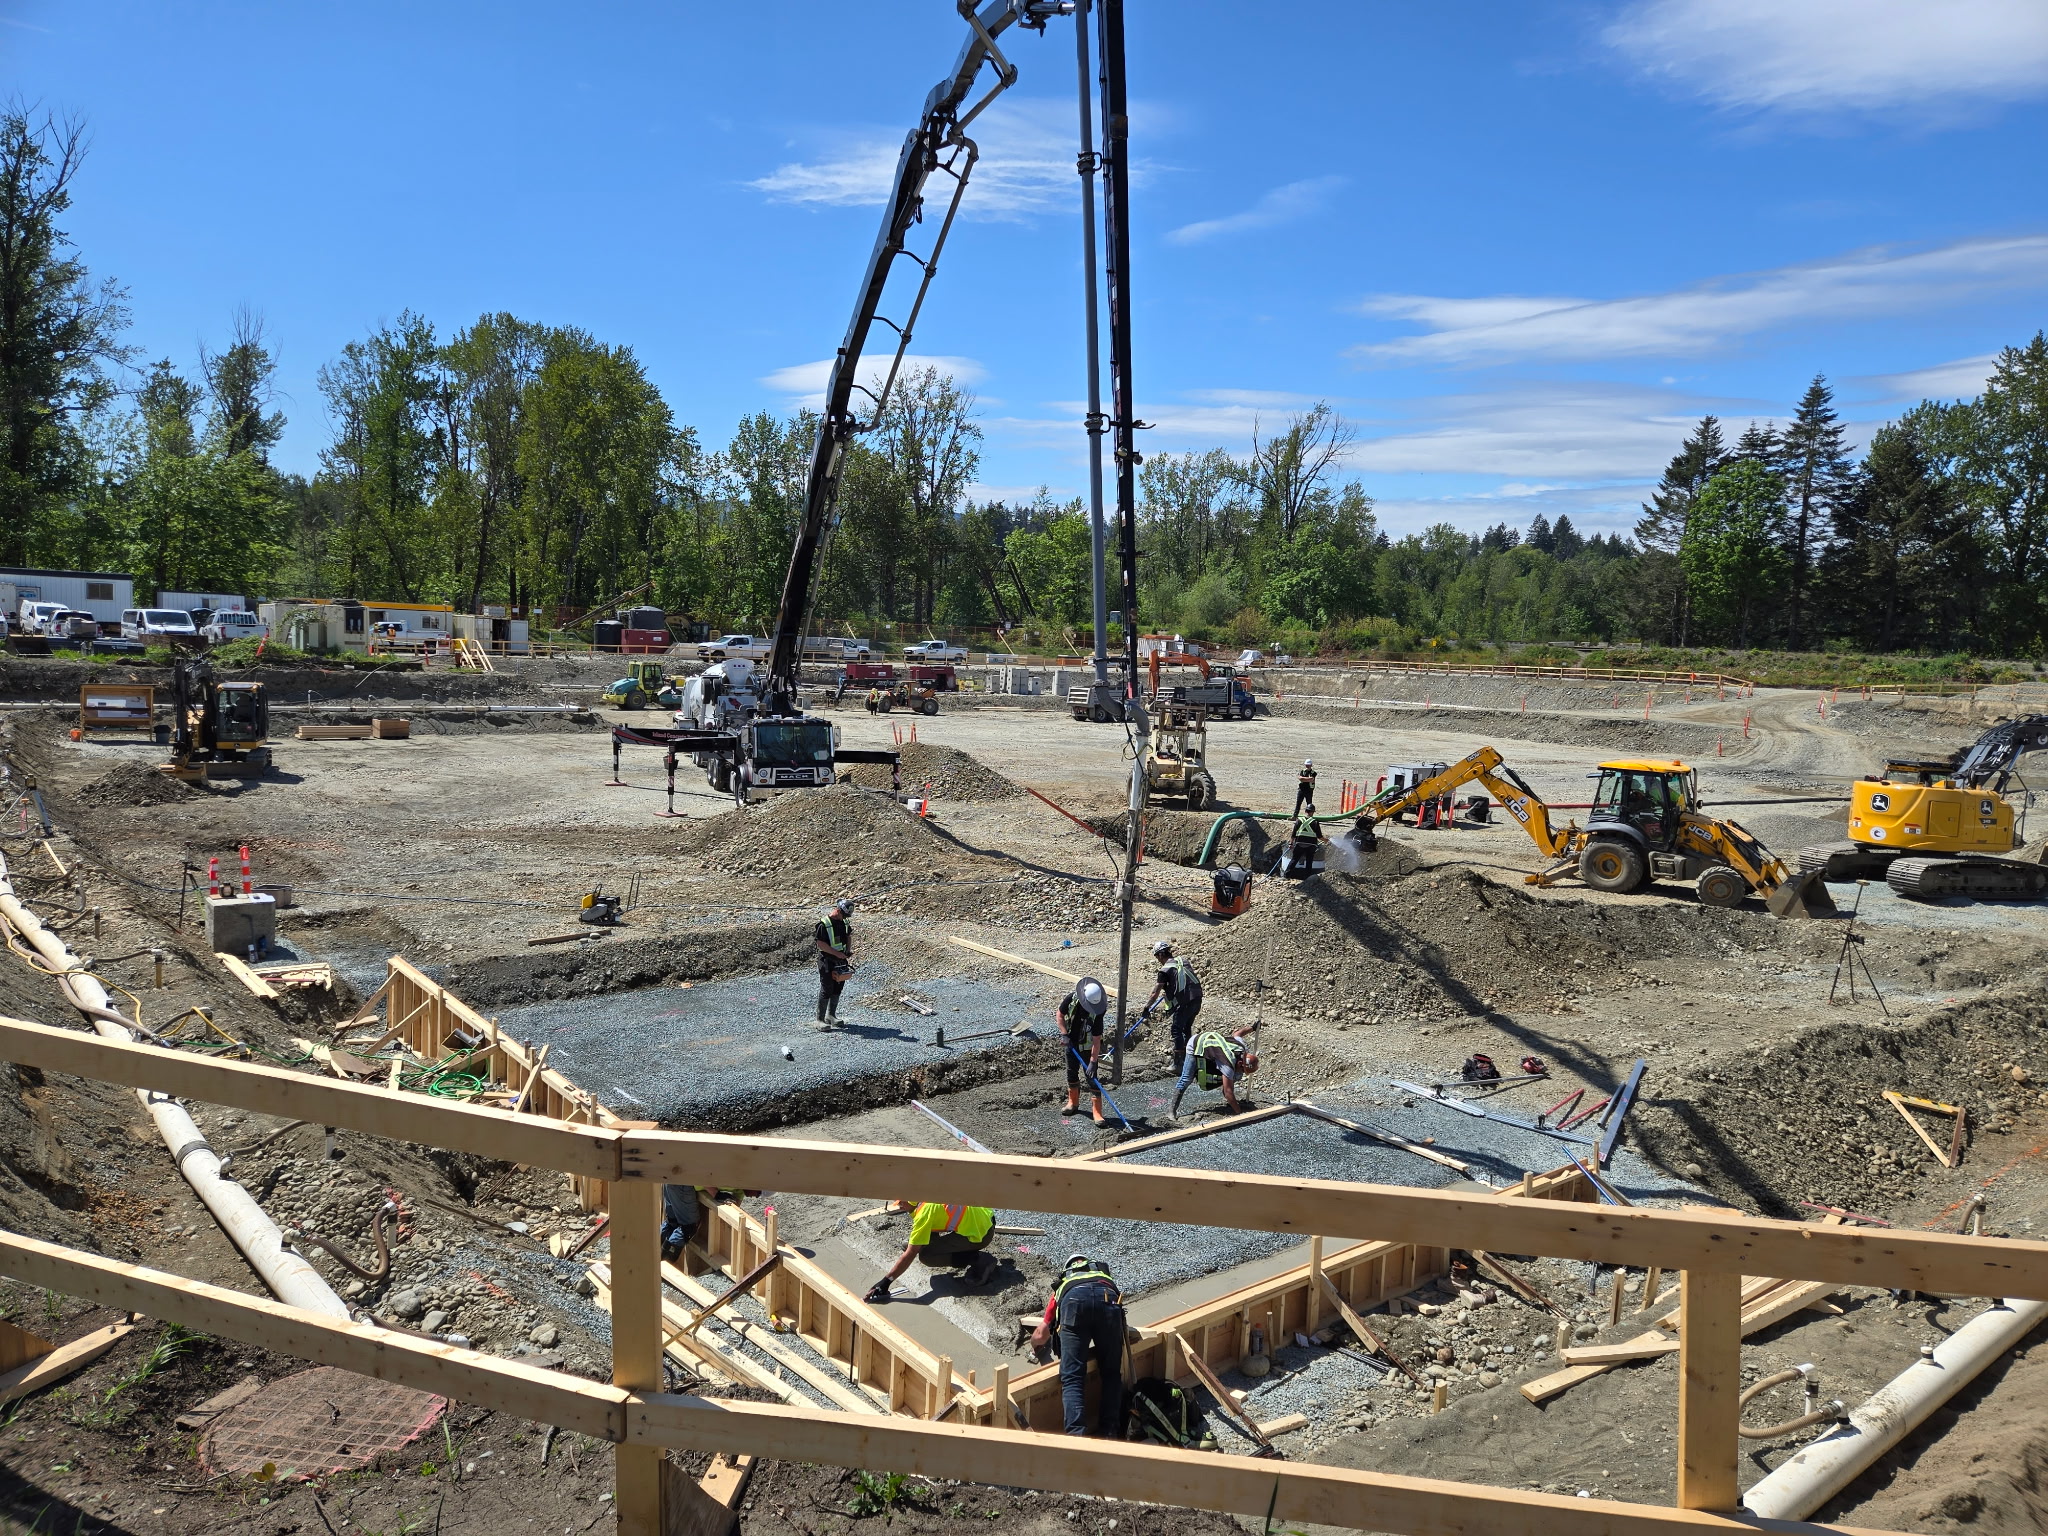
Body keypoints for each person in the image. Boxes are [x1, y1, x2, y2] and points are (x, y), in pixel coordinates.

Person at [1029, 1254, 1126, 1437]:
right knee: (1111, 1373)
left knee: (1073, 1378)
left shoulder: (1064, 1283)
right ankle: (1109, 1433)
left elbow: (1041, 1333)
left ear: (1069, 1268)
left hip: (1074, 1304)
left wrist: (1033, 1345)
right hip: (1108, 1301)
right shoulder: (1104, 1277)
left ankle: (1076, 1438)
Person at [864, 1201, 998, 1300]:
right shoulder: (926, 1194)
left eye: (902, 1203)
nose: (900, 1206)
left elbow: (910, 1254)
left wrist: (885, 1282)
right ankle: (920, 1243)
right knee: (918, 1244)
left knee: (927, 1256)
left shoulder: (924, 1213)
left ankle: (979, 1260)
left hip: (981, 1234)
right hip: (985, 1218)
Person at [1170, 1027, 1259, 1117]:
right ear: (1240, 1063)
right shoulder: (1227, 1063)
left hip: (1210, 1045)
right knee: (1186, 1078)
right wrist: (1239, 1113)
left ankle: (1231, 1100)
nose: (1243, 1072)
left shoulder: (1242, 1048)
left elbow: (1238, 1034)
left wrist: (1253, 1028)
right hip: (1196, 1044)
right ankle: (1171, 1111)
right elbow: (1228, 1092)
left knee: (1236, 1075)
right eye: (1243, 1070)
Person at [1141, 940, 1203, 1066]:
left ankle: (1178, 1063)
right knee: (1186, 1029)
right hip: (1197, 998)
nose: (1158, 960)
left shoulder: (1164, 970)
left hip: (1186, 1002)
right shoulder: (1183, 961)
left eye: (1157, 957)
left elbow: (1155, 992)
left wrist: (1147, 1007)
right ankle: (1188, 1062)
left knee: (1176, 1029)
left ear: (1160, 955)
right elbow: (1183, 980)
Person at [1058, 978, 1110, 1124]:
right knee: (1071, 1072)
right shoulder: (1071, 999)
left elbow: (1096, 1039)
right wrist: (1064, 1034)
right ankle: (1073, 1103)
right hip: (1071, 1044)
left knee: (1092, 1079)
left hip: (1087, 1049)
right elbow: (1060, 1015)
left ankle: (1097, 1112)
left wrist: (1093, 1062)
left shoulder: (1098, 1012)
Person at [815, 898, 854, 1030]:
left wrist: (847, 951)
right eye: (844, 915)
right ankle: (820, 1020)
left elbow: (848, 936)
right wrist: (837, 954)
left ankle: (831, 1016)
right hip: (827, 960)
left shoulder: (844, 922)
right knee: (827, 988)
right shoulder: (824, 924)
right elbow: (820, 944)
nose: (844, 918)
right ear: (838, 910)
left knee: (838, 986)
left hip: (840, 960)